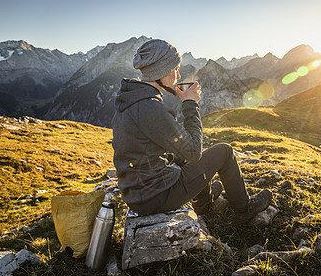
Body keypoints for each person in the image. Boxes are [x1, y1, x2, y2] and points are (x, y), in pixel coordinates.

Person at [112, 39, 271, 224]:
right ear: (162, 71)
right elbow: (194, 152)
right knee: (224, 152)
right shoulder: (151, 108)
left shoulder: (130, 101)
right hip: (156, 197)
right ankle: (244, 209)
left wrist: (186, 155)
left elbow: (153, 146)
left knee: (186, 156)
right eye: (175, 69)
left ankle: (204, 205)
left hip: (137, 193)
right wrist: (190, 104)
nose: (178, 75)